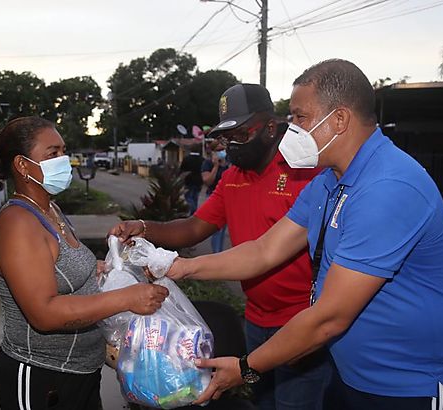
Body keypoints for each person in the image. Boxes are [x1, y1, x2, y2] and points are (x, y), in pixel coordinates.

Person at [166, 60, 443, 410]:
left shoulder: (387, 187)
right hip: (351, 374)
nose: (291, 129)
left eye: (300, 117)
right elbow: (264, 250)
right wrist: (180, 267)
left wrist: (245, 368)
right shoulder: (329, 181)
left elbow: (330, 318)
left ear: (339, 120)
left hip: (408, 384)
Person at [110, 84, 325, 410]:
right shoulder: (233, 177)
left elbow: (270, 252)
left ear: (269, 128)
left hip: (300, 321)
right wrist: (144, 228)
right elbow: (196, 227)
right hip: (256, 319)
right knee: (264, 402)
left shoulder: (303, 173)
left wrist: (184, 267)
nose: (231, 144)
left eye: (240, 133)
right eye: (226, 136)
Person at [0, 116, 169, 410]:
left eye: (63, 151)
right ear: (23, 165)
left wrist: (103, 269)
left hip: (80, 373)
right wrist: (125, 298)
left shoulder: (50, 208)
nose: (63, 160)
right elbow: (44, 313)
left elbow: (55, 268)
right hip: (41, 378)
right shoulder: (17, 223)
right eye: (52, 153)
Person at [200, 141, 230, 253]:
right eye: (218, 150)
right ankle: (217, 253)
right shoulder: (207, 164)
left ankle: (220, 252)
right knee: (217, 228)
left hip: (228, 199)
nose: (221, 152)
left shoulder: (229, 163)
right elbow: (207, 181)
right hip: (213, 197)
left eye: (222, 149)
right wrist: (216, 166)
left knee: (223, 230)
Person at [179, 149, 204, 215]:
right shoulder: (202, 159)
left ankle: (193, 208)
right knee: (195, 197)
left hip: (188, 180)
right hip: (199, 181)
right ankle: (194, 212)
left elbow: (182, 170)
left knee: (188, 196)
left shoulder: (186, 159)